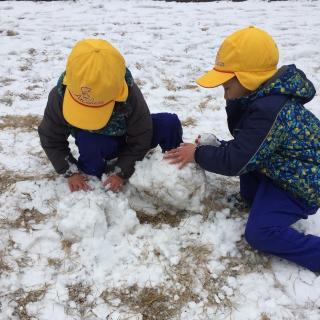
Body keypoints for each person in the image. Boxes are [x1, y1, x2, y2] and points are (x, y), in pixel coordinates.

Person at [164, 26, 320, 272]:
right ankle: (255, 197)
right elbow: (250, 147)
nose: (225, 95)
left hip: (300, 185)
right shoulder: (261, 99)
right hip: (280, 168)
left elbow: (236, 161)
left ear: (249, 80)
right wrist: (216, 146)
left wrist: (197, 154)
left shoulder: (269, 110)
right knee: (248, 182)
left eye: (227, 87)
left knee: (260, 233)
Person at [39, 39, 182, 193]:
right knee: (92, 144)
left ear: (117, 93)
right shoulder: (59, 95)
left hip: (127, 138)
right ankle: (94, 173)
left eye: (96, 109)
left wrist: (121, 172)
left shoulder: (130, 94)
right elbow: (51, 138)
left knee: (168, 123)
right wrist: (70, 172)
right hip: (97, 143)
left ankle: (177, 170)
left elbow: (141, 136)